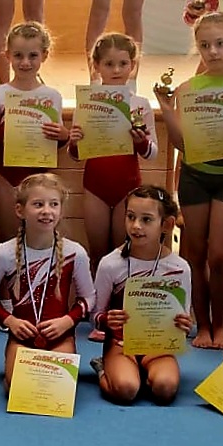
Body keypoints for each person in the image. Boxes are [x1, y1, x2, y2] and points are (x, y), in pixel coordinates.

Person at [154, 11, 223, 349]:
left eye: (220, 43)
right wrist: (166, 109)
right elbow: (181, 143)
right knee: (196, 254)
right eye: (204, 45)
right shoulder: (188, 89)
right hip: (195, 177)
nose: (212, 51)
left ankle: (221, 325)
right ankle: (202, 325)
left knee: (219, 256)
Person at [0, 173, 95, 398]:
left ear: (61, 210)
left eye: (54, 204)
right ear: (20, 210)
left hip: (60, 336)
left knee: (58, 392)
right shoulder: (4, 253)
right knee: (18, 389)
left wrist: (67, 321)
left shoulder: (75, 253)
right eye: (38, 204)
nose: (46, 211)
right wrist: (10, 321)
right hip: (22, 337)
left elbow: (89, 298)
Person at [89, 185, 192, 405]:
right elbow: (94, 316)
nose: (136, 226)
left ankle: (143, 373)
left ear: (166, 225)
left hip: (157, 346)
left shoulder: (179, 268)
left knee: (165, 389)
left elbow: (182, 319)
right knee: (125, 390)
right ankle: (103, 368)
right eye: (130, 217)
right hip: (120, 344)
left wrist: (184, 324)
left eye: (146, 220)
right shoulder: (110, 264)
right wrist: (106, 320)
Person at [66, 32, 157, 270]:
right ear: (96, 66)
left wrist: (141, 143)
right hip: (95, 187)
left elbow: (153, 153)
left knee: (123, 255)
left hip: (128, 187)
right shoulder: (86, 103)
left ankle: (120, 296)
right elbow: (75, 155)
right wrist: (74, 143)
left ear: (132, 65)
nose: (116, 70)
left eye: (123, 63)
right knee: (97, 254)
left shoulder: (140, 104)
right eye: (109, 64)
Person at [0, 21, 68, 241]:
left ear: (44, 55)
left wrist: (64, 135)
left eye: (33, 56)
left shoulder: (52, 96)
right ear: (7, 55)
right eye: (18, 55)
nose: (25, 62)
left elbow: (57, 143)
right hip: (5, 174)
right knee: (7, 239)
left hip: (41, 176)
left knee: (41, 239)